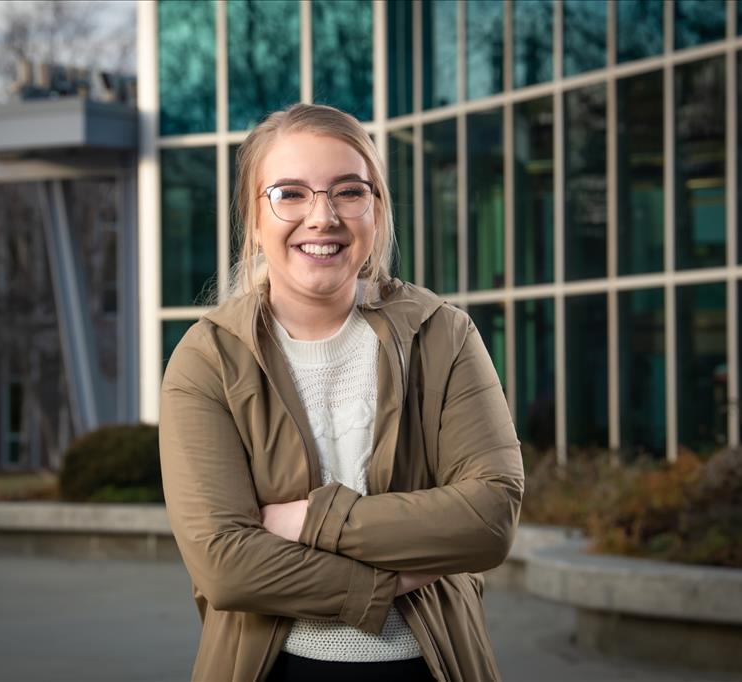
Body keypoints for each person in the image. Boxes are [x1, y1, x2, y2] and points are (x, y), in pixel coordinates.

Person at [159, 102, 524, 682]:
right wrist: (388, 579)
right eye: (291, 193)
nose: (322, 217)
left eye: (349, 192)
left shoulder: (443, 335)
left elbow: (489, 518)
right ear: (254, 220)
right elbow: (224, 567)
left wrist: (308, 521)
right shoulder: (207, 361)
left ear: (376, 212)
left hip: (432, 665)